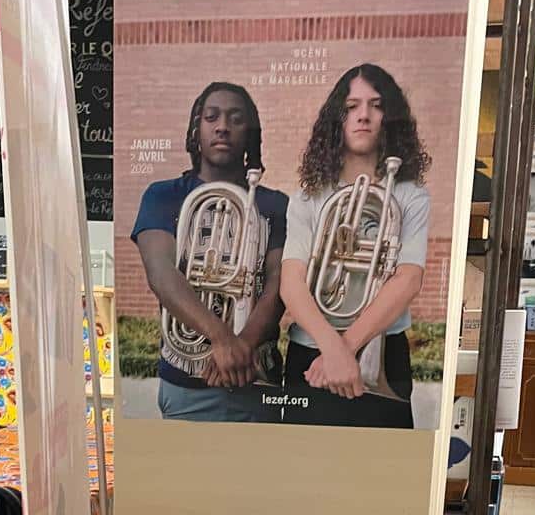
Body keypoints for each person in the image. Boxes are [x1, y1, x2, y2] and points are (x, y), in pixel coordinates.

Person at [279, 64, 432, 428]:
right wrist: (333, 349)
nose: (363, 115)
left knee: (381, 462)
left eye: (376, 105)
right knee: (306, 460)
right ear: (337, 118)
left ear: (389, 117)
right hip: (312, 352)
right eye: (351, 106)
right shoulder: (309, 198)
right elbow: (291, 282)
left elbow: (408, 280)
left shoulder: (411, 196)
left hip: (381, 351)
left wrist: (344, 348)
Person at [130, 82, 288, 422]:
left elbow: (279, 282)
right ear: (196, 130)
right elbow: (161, 273)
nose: (223, 127)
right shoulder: (163, 195)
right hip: (188, 383)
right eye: (211, 117)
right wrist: (221, 337)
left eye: (236, 119)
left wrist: (241, 346)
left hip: (258, 378)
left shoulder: (276, 204)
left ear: (250, 133)